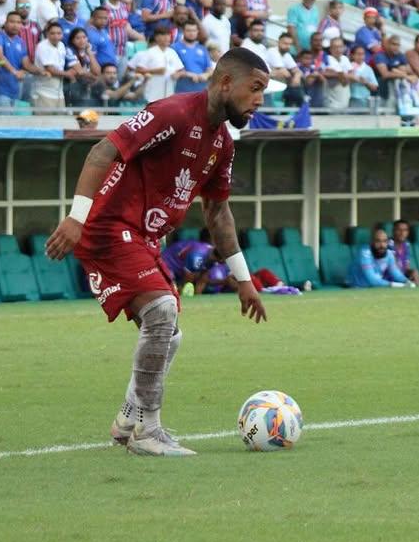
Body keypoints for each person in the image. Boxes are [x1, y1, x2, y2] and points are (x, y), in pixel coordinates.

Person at [44, 48, 271, 457]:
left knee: (171, 336)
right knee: (162, 311)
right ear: (225, 83)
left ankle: (130, 416)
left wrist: (243, 279)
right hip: (108, 227)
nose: (259, 100)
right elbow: (102, 151)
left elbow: (218, 212)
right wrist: (76, 218)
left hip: (145, 239)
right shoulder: (173, 113)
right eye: (254, 89)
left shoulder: (222, 143)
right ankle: (147, 431)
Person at [347, 226, 412, 288]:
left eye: (384, 241)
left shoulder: (389, 254)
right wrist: (399, 285)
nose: (382, 245)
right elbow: (373, 280)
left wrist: (407, 281)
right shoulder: (365, 253)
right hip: (356, 287)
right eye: (378, 241)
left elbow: (396, 273)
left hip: (373, 289)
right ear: (372, 242)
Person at [389, 219, 419, 286]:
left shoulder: (406, 245)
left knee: (415, 272)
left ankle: (418, 293)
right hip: (390, 277)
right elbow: (393, 268)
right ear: (393, 231)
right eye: (399, 230)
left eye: (405, 230)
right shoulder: (389, 244)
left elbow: (406, 267)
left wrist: (411, 274)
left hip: (402, 276)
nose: (402, 233)